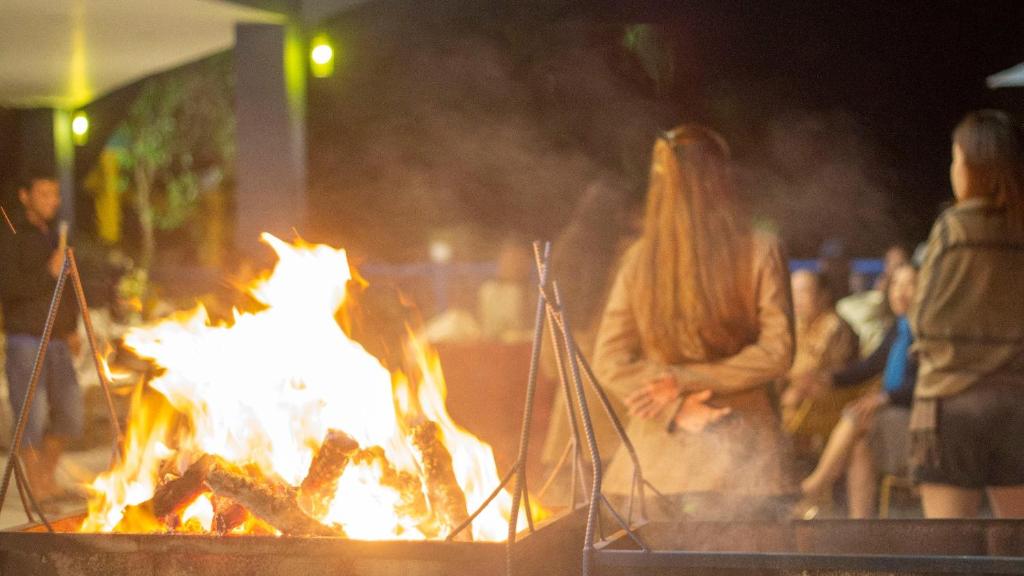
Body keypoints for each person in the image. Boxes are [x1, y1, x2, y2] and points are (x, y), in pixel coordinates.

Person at [593, 125, 795, 516]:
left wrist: (677, 395)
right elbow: (778, 352)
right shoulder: (759, 249)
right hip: (743, 452)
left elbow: (609, 361)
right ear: (722, 179)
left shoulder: (638, 260)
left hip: (655, 466)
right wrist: (680, 397)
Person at [910, 109, 1024, 518]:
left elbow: (923, 318)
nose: (953, 170)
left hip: (953, 404)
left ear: (974, 167)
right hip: (1018, 404)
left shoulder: (955, 226)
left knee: (948, 548)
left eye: (956, 160)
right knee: (1016, 548)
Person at [797, 264, 918, 518]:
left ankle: (814, 485)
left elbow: (924, 382)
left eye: (910, 284)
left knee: (856, 415)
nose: (901, 292)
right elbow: (869, 366)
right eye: (896, 285)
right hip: (891, 413)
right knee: (861, 446)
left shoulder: (927, 330)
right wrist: (829, 378)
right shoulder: (898, 328)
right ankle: (859, 523)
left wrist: (884, 397)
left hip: (915, 417)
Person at [0, 174, 83, 501]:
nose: (53, 200)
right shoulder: (11, 236)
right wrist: (46, 273)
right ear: (25, 195)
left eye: (55, 194)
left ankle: (45, 481)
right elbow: (8, 287)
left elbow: (67, 290)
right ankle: (36, 488)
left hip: (58, 339)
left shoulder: (53, 237)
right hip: (26, 338)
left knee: (70, 413)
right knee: (30, 417)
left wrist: (73, 327)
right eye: (44, 193)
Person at [780, 270, 859, 451]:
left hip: (826, 400)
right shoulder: (795, 325)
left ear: (823, 296)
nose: (797, 299)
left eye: (804, 292)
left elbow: (820, 371)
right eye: (793, 292)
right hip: (793, 396)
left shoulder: (833, 326)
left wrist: (795, 389)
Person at [836, 245, 909, 358]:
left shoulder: (909, 323)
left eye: (900, 264)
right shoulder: (877, 294)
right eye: (890, 263)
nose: (894, 269)